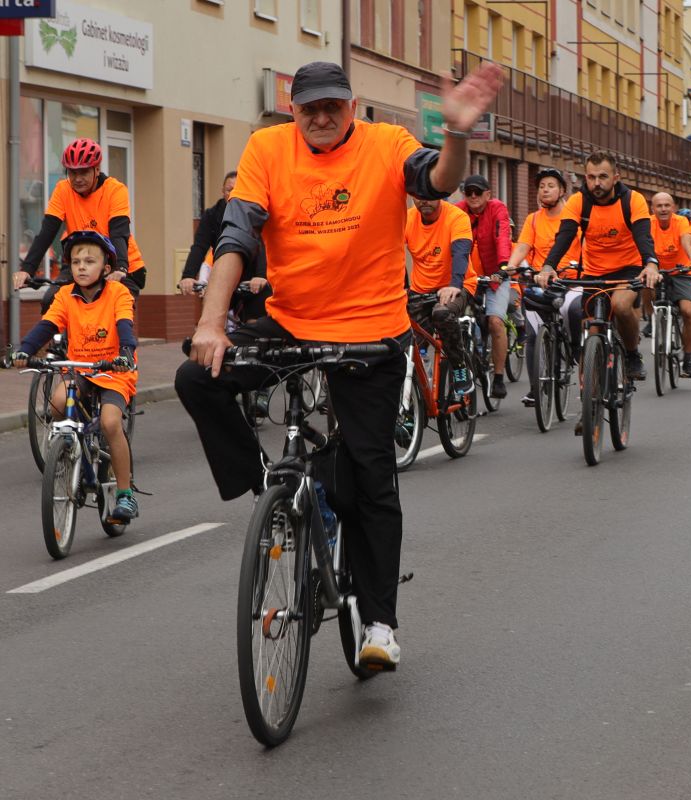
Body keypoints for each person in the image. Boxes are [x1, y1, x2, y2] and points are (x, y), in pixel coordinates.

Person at [175, 59, 503, 671]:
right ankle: (266, 493)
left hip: (371, 333)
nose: (322, 117)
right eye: (310, 108)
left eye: (334, 105)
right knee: (198, 376)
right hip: (291, 320)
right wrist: (211, 323)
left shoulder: (386, 143)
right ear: (292, 112)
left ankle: (380, 622)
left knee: (372, 473)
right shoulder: (267, 149)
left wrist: (457, 134)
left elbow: (434, 180)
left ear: (352, 107)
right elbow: (237, 240)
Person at [12, 231, 139, 522]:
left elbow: (125, 326)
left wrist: (126, 353)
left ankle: (125, 494)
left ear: (106, 268)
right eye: (76, 261)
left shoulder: (118, 293)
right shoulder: (65, 295)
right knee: (57, 404)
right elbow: (47, 325)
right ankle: (71, 452)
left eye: (89, 261)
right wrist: (24, 350)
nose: (81, 267)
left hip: (113, 369)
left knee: (109, 421)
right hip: (79, 367)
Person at [537, 151, 659, 387]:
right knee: (592, 333)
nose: (597, 183)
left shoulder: (633, 200)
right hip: (594, 271)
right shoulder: (578, 201)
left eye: (603, 177)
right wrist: (548, 266)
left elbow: (644, 237)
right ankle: (589, 402)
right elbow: (565, 236)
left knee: (621, 306)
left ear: (616, 177)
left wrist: (651, 264)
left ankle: (633, 355)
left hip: (628, 268)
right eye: (591, 177)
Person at [12, 138, 147, 307]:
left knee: (113, 309)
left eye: (83, 172)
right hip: (81, 263)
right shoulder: (63, 190)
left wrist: (120, 268)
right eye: (72, 172)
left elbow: (118, 233)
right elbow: (47, 233)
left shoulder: (115, 190)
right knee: (51, 302)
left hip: (118, 265)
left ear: (96, 170)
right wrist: (27, 269)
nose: (77, 178)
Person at [508, 166, 584, 407]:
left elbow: (586, 248)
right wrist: (511, 266)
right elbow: (523, 246)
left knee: (573, 311)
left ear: (562, 190)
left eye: (551, 186)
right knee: (532, 335)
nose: (545, 190)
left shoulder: (573, 218)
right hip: (541, 282)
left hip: (570, 281)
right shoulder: (533, 219)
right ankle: (534, 389)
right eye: (541, 187)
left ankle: (574, 349)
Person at [406, 198, 479, 396]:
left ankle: (459, 367)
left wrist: (454, 285)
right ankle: (412, 402)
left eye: (430, 194)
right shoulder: (408, 218)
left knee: (442, 313)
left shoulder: (456, 217)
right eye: (418, 195)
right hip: (420, 290)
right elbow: (389, 253)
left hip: (458, 285)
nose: (424, 199)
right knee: (406, 343)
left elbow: (461, 253)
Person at [180, 170, 270, 318]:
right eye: (229, 190)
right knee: (212, 315)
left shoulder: (255, 213)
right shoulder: (212, 215)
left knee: (255, 320)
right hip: (225, 275)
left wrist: (261, 275)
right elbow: (200, 246)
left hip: (254, 277)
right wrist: (188, 275)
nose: (233, 194)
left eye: (237, 189)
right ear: (223, 191)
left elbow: (262, 245)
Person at [456, 174, 513, 399]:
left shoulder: (497, 209)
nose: (472, 196)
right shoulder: (458, 211)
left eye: (477, 192)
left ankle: (498, 377)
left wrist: (503, 267)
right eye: (468, 192)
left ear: (488, 194)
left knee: (495, 322)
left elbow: (502, 237)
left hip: (495, 276)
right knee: (456, 323)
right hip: (468, 278)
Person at [649, 192, 691, 377]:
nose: (663, 209)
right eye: (659, 206)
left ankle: (687, 359)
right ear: (653, 208)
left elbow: (686, 241)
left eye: (667, 205)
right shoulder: (648, 223)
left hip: (681, 272)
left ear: (674, 207)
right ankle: (650, 317)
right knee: (643, 284)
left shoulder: (682, 222)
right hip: (656, 271)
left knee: (688, 311)